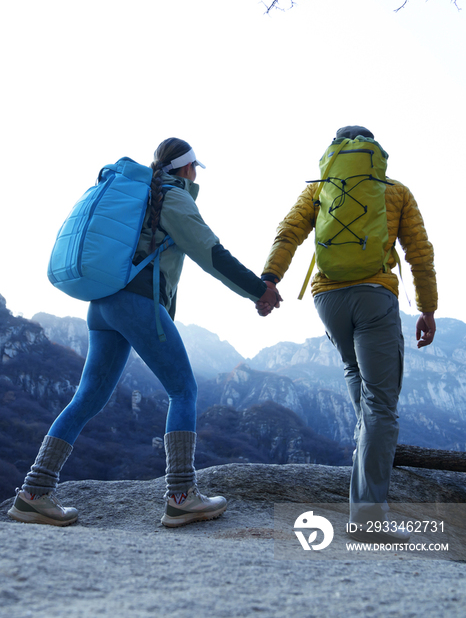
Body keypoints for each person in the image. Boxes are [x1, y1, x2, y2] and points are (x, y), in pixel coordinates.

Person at [8, 138, 281, 528]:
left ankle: (33, 494)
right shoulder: (173, 198)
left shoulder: (141, 197)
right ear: (187, 169)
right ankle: (182, 495)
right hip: (136, 304)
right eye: (194, 169)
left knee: (87, 397)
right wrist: (259, 290)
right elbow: (212, 254)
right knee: (183, 390)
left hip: (101, 304)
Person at [257, 125, 437, 539]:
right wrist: (427, 309)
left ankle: (364, 487)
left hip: (328, 300)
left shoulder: (320, 189)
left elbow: (289, 231)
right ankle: (369, 518)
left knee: (359, 382)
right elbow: (419, 252)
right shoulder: (395, 191)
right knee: (382, 406)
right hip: (374, 296)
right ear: (375, 154)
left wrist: (270, 279)